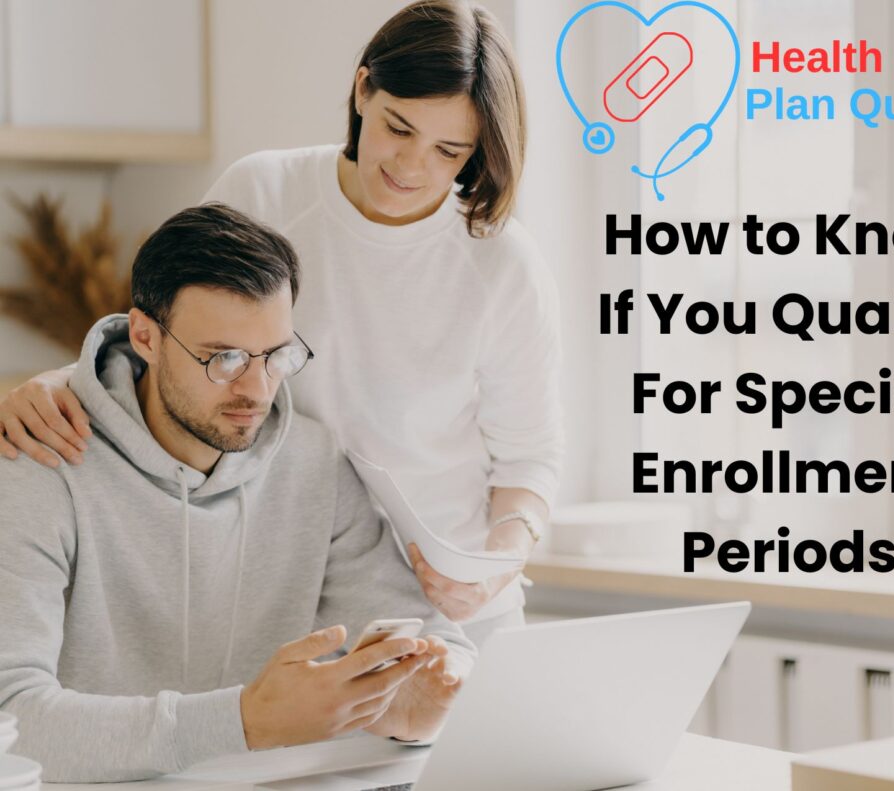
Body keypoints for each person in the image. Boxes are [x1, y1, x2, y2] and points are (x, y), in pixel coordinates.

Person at [0, 0, 563, 646]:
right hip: (290, 600)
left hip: (449, 617)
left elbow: (530, 458)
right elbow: (174, 335)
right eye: (398, 127)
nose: (411, 167)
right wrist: (63, 383)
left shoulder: (501, 265)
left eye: (448, 151)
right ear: (362, 89)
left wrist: (493, 567)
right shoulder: (265, 193)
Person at [0, 204, 474, 783]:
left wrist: (419, 709)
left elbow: (436, 644)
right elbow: (11, 721)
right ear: (146, 336)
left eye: (276, 356)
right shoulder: (39, 464)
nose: (256, 389)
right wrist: (244, 722)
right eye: (223, 358)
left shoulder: (313, 462)